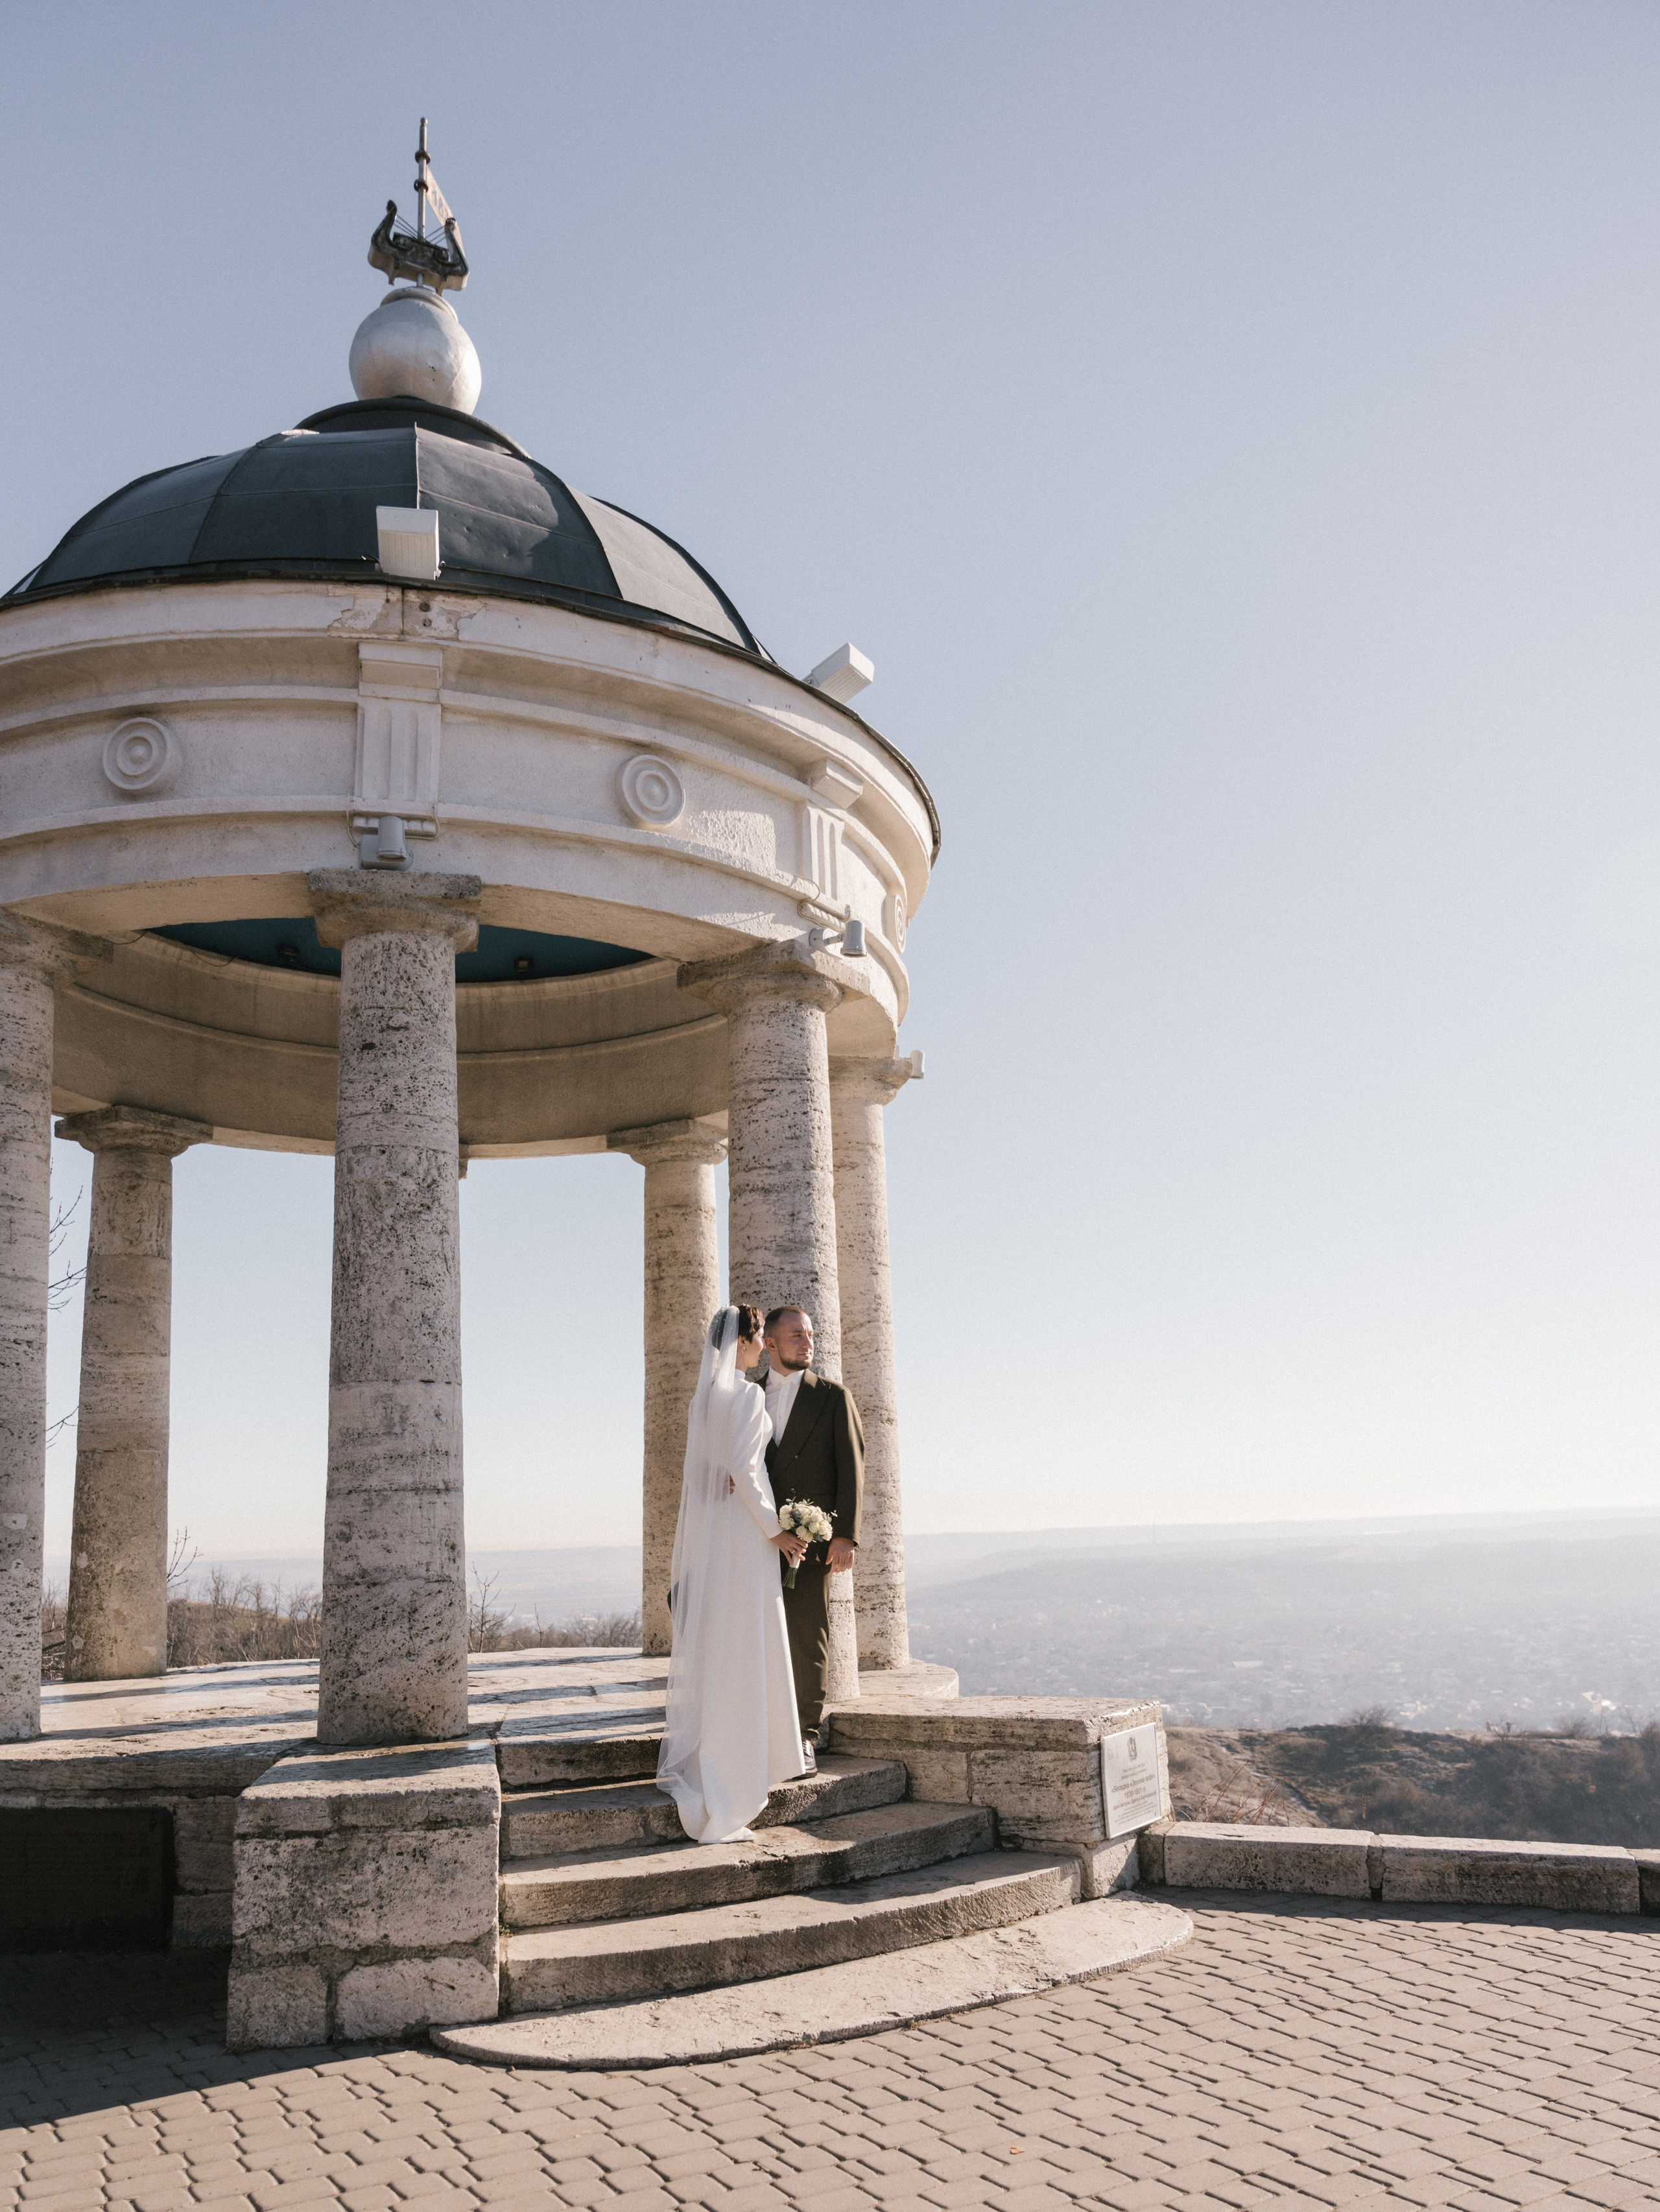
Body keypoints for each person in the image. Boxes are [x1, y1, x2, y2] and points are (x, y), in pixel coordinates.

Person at [656, 1305, 810, 1842]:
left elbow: (703, 1481)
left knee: (724, 1648)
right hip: (744, 1538)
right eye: (756, 1334)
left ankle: (715, 1767)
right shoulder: (745, 1395)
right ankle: (735, 1785)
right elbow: (748, 1471)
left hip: (718, 1536)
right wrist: (777, 1531)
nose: (761, 1343)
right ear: (744, 1341)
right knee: (747, 1648)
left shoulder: (704, 1400)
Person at [761, 1305, 864, 1773]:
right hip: (756, 1535)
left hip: (810, 1540)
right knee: (757, 1633)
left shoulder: (833, 1397)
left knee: (809, 1636)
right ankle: (759, 1726)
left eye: (811, 1335)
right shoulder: (748, 1396)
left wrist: (844, 1536)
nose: (808, 1343)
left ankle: (804, 1733)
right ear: (769, 1343)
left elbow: (852, 1469)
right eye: (797, 1335)